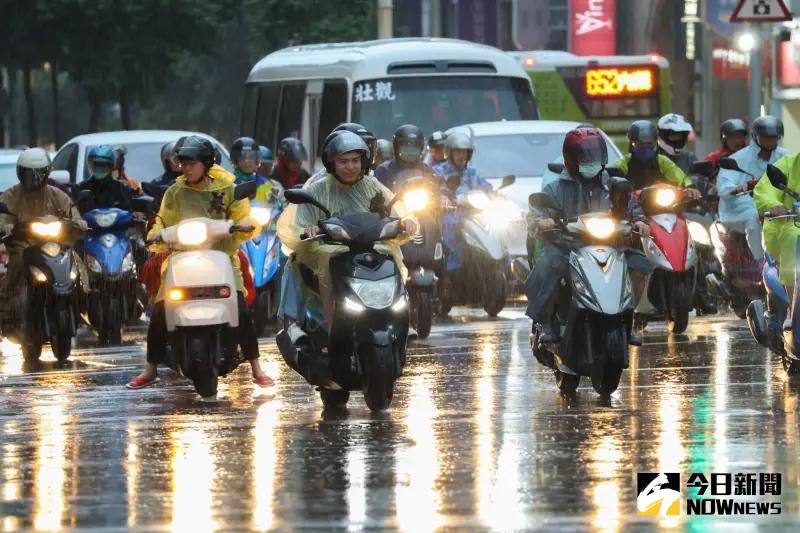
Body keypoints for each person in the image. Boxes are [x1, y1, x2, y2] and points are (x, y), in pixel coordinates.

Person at [126, 136, 273, 390]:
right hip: (181, 257)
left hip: (223, 258)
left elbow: (242, 215)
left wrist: (245, 223)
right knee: (160, 309)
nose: (186, 168)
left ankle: (256, 366)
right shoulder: (175, 190)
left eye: (192, 163)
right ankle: (150, 368)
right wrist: (155, 232)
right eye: (183, 163)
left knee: (239, 305)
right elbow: (163, 219)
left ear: (206, 163)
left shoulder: (227, 187)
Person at [275, 131, 416, 388]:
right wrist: (309, 231)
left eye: (355, 160)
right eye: (343, 161)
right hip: (329, 252)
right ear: (331, 163)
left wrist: (405, 222)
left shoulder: (373, 187)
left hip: (368, 250)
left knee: (390, 257)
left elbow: (397, 212)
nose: (350, 167)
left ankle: (401, 312)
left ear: (363, 161)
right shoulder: (317, 189)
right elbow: (298, 226)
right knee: (301, 261)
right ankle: (311, 322)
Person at [525, 128, 650, 346]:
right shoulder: (555, 188)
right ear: (571, 158)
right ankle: (547, 323)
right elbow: (537, 212)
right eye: (585, 156)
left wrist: (639, 221)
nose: (591, 161)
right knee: (548, 265)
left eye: (595, 155)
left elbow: (632, 207)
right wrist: (542, 221)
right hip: (568, 247)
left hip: (610, 246)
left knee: (639, 267)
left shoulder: (612, 185)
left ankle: (626, 322)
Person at [0, 148, 88, 326]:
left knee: (76, 262)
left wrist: (79, 222)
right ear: (20, 174)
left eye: (39, 174)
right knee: (16, 264)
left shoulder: (57, 194)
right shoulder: (10, 195)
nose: (35, 179)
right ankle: (6, 308)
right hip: (23, 246)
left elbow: (73, 213)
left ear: (47, 173)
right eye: (29, 174)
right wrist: (6, 225)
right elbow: (3, 217)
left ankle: (83, 298)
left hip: (56, 244)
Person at [733, 117, 791, 270]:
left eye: (772, 137)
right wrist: (739, 187)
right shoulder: (743, 157)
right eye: (765, 137)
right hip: (752, 204)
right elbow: (732, 180)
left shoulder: (788, 157)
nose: (769, 141)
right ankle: (760, 264)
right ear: (755, 137)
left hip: (785, 208)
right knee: (753, 224)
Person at [433, 131, 492, 272]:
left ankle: (502, 264)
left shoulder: (471, 171)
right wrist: (444, 197)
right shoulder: (439, 171)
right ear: (450, 153)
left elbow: (485, 186)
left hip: (473, 213)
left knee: (496, 226)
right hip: (451, 213)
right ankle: (452, 267)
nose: (461, 156)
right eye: (458, 152)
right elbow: (433, 189)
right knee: (450, 224)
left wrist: (494, 193)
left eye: (464, 152)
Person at [609, 120, 694, 191]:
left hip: (663, 203)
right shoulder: (624, 162)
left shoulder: (662, 161)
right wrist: (611, 173)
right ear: (633, 144)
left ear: (655, 142)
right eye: (641, 144)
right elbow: (612, 172)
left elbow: (678, 175)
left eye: (649, 143)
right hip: (630, 206)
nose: (645, 147)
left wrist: (690, 186)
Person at [374, 124, 437, 191]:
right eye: (406, 147)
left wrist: (443, 197)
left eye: (415, 147)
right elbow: (377, 196)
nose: (410, 152)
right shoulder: (384, 170)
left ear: (421, 148)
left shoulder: (427, 170)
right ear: (396, 147)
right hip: (394, 200)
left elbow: (438, 192)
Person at [76, 146, 135, 212]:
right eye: (96, 165)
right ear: (90, 165)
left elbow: (130, 212)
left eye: (103, 165)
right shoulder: (81, 187)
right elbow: (72, 212)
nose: (99, 168)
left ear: (112, 166)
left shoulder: (122, 188)